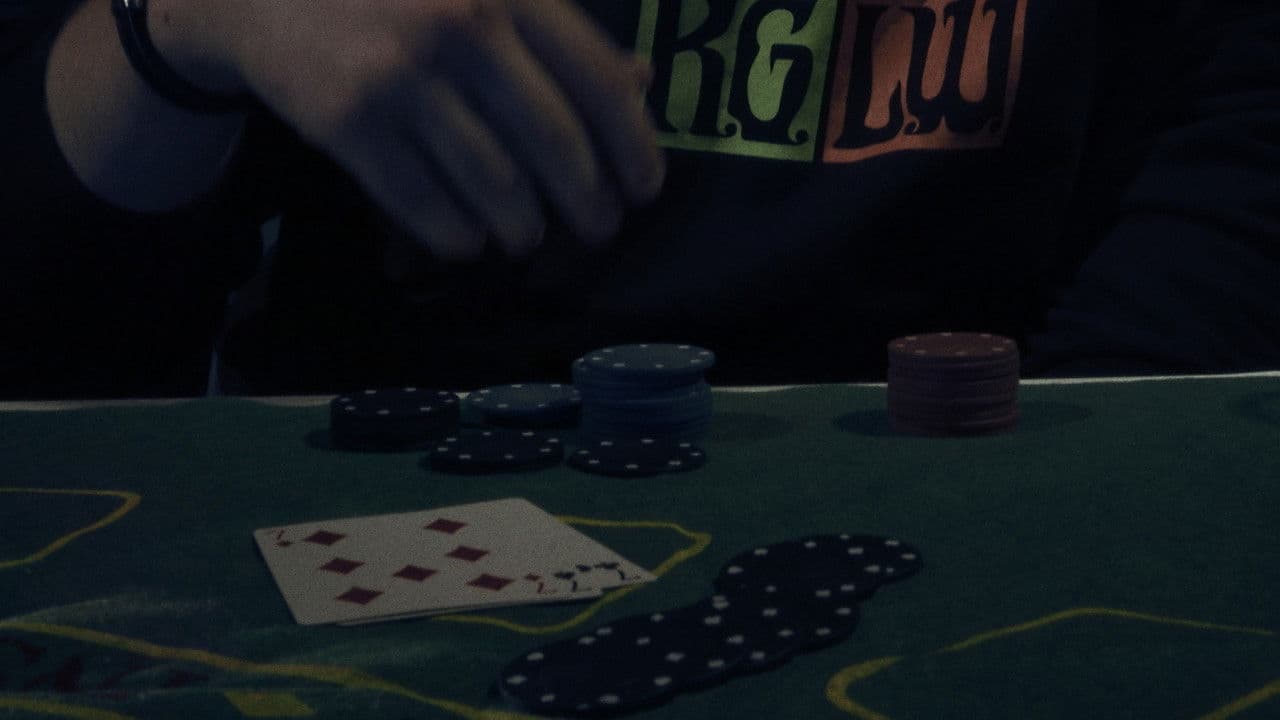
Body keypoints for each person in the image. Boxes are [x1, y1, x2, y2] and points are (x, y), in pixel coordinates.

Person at [2, 0, 1277, 399]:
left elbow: (1168, 362)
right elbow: (50, 364)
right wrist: (186, 25)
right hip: (383, 486)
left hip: (986, 480)